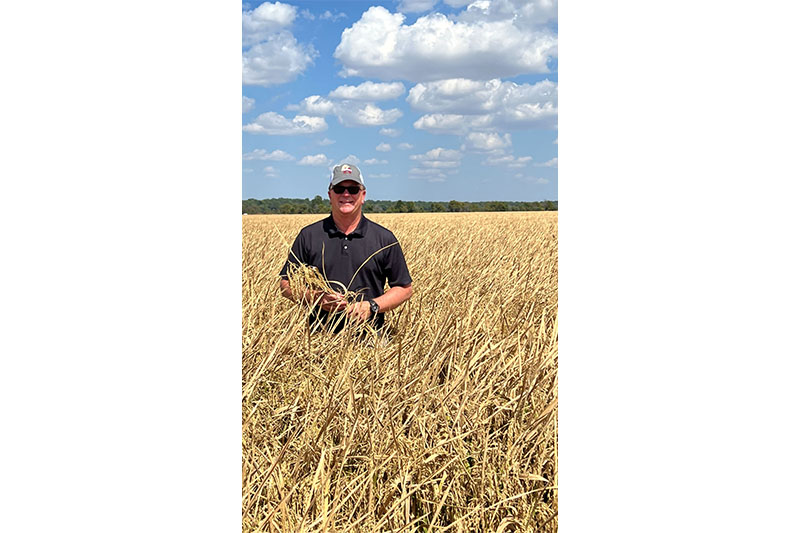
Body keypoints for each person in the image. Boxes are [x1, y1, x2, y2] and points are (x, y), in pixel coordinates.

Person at [279, 164, 413, 333]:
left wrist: (372, 306)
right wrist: (316, 298)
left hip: (370, 343)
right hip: (317, 341)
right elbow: (285, 284)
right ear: (330, 194)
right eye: (339, 189)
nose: (346, 194)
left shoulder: (384, 238)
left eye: (353, 189)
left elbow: (404, 289)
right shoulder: (309, 235)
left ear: (363, 195)